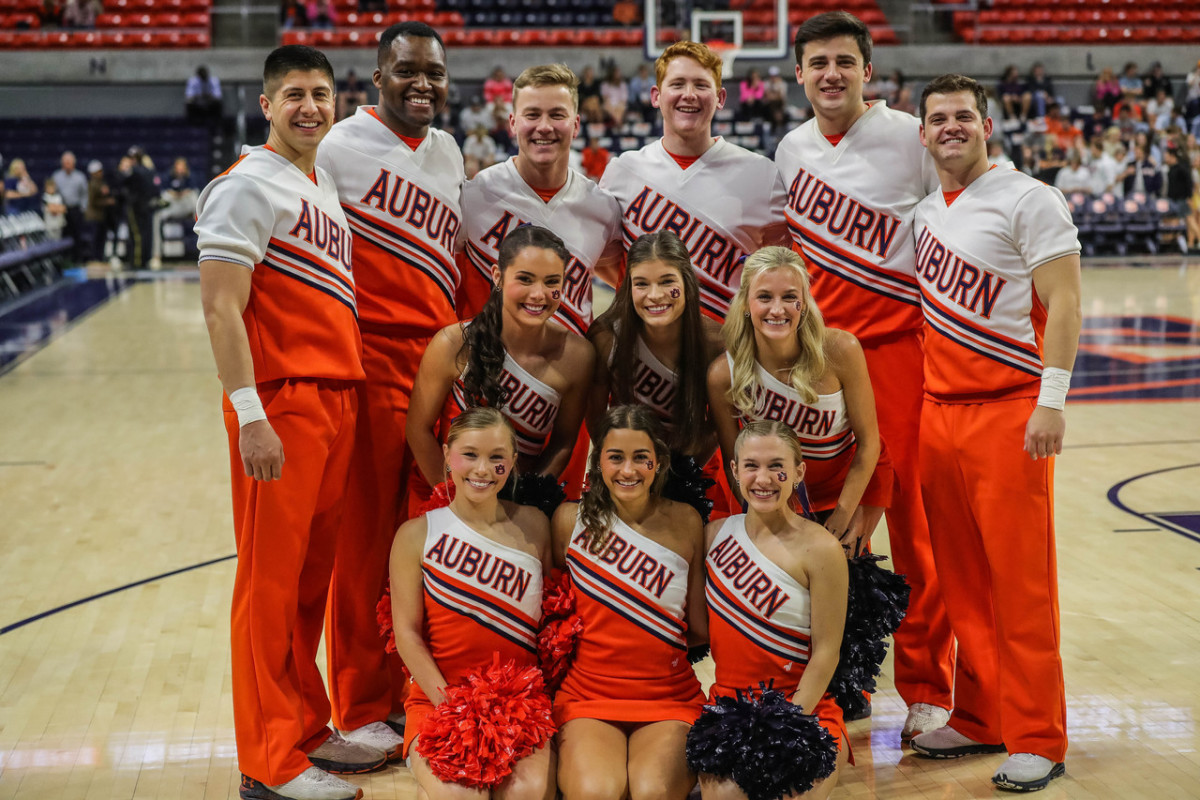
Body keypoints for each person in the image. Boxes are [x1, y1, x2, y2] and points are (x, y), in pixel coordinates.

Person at [195, 45, 380, 800]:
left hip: (337, 395)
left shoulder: (319, 178)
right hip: (283, 401)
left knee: (310, 580)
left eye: (322, 93)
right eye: (294, 94)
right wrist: (250, 416)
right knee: (268, 586)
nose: (311, 106)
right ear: (266, 105)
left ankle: (306, 727)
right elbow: (219, 309)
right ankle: (266, 763)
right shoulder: (242, 187)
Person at [773, 10, 955, 738]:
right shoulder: (789, 149)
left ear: (868, 70)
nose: (831, 74)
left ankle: (926, 684)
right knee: (813, 515)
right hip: (813, 362)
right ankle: (816, 675)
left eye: (845, 61)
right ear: (798, 75)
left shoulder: (910, 137)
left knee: (913, 527)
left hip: (897, 350)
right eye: (817, 63)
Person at [909, 74, 1080, 794]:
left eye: (962, 117)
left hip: (1009, 409)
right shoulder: (923, 211)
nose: (950, 127)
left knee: (1020, 583)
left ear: (987, 125)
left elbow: (1065, 300)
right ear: (922, 133)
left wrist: (1053, 400)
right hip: (936, 411)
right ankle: (980, 713)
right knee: (961, 581)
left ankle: (1039, 734)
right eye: (937, 118)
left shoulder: (1029, 197)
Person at [314, 20, 464, 764]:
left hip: (439, 367)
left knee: (431, 542)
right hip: (369, 363)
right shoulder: (339, 145)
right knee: (364, 545)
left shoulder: (447, 150)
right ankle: (360, 705)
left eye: (434, 73)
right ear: (377, 77)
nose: (422, 84)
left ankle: (419, 689)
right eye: (407, 71)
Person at [389, 407, 555, 799]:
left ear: (513, 462)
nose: (482, 469)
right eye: (470, 454)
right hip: (439, 699)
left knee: (525, 794)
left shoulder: (536, 525)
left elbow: (552, 625)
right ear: (447, 455)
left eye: (497, 457)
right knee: (461, 796)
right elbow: (407, 634)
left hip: (521, 705)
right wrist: (453, 706)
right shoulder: (415, 535)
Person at [551, 404, 706, 800]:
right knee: (597, 792)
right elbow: (555, 615)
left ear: (659, 462)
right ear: (598, 461)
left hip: (669, 697)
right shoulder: (569, 521)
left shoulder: (687, 521)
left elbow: (698, 627)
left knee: (652, 791)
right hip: (587, 695)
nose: (628, 470)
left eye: (641, 458)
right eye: (615, 457)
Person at [700, 421, 850, 800]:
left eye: (776, 466)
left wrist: (785, 724)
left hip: (805, 709)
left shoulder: (823, 549)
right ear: (733, 471)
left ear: (799, 471)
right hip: (728, 709)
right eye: (750, 465)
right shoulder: (713, 535)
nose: (763, 478)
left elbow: (827, 651)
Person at [708, 246, 890, 548]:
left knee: (843, 584)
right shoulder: (723, 374)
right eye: (765, 297)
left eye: (790, 297)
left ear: (804, 304)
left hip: (845, 493)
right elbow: (736, 467)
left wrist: (842, 518)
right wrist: (767, 526)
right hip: (772, 499)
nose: (777, 309)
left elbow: (870, 445)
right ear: (745, 304)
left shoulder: (840, 351)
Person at [600, 41, 789, 321]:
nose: (689, 95)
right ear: (656, 96)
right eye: (677, 84)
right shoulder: (623, 170)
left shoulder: (763, 175)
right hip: (642, 351)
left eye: (701, 85)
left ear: (721, 98)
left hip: (728, 352)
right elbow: (606, 260)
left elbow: (780, 269)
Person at [407, 226, 593, 502]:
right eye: (525, 279)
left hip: (516, 506)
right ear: (498, 276)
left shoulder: (577, 356)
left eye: (552, 282)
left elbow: (563, 443)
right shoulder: (453, 342)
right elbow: (418, 429)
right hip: (443, 495)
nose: (539, 294)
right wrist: (450, 498)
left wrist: (525, 501)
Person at [460, 63, 623, 338]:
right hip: (483, 370)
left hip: (569, 374)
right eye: (532, 115)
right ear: (512, 123)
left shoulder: (602, 208)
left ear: (576, 124)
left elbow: (624, 280)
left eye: (557, 115)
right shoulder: (472, 196)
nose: (544, 127)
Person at [587, 230, 725, 510]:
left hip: (692, 470)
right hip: (622, 473)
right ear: (628, 287)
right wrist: (621, 464)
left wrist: (681, 469)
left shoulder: (715, 342)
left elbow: (718, 426)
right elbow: (596, 421)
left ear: (687, 283)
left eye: (666, 282)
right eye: (641, 284)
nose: (655, 295)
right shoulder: (606, 335)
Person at [151, 156, 198, 268]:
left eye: (182, 167)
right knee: (156, 216)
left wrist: (184, 193)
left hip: (186, 206)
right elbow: (164, 193)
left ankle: (203, 254)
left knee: (195, 197)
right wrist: (174, 194)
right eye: (178, 166)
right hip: (171, 206)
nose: (180, 169)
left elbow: (194, 191)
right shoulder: (168, 176)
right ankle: (156, 256)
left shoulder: (191, 177)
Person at [51, 150, 89, 261]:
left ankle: (77, 259)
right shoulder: (57, 176)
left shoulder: (80, 176)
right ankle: (63, 259)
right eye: (65, 162)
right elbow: (53, 192)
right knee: (63, 235)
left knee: (77, 235)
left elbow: (84, 194)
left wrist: (83, 208)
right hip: (62, 209)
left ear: (73, 163)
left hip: (76, 209)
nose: (67, 164)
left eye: (69, 162)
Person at [84, 159, 116, 264]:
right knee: (95, 238)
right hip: (94, 216)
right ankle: (94, 258)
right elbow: (93, 202)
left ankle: (99, 258)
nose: (101, 173)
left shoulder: (101, 183)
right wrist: (107, 202)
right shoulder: (93, 184)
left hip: (101, 216)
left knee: (101, 238)